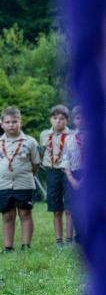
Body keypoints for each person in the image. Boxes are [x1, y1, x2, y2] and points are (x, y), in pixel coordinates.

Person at [0, 107, 40, 251]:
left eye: (14, 121)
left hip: (24, 184)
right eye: (8, 122)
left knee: (25, 213)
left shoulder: (30, 142)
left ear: (20, 122)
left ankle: (26, 245)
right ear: (1, 124)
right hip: (3, 185)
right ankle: (8, 247)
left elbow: (36, 164)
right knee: (7, 215)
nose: (11, 125)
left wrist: (27, 176)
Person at [39, 104, 73, 246]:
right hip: (52, 171)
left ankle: (70, 239)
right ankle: (59, 240)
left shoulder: (72, 135)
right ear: (50, 119)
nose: (58, 121)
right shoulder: (44, 135)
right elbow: (42, 152)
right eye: (55, 118)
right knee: (56, 208)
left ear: (67, 120)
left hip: (68, 172)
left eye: (62, 119)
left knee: (70, 208)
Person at [64, 105, 85, 236]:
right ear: (73, 120)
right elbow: (65, 159)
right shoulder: (69, 138)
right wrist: (71, 178)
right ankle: (80, 236)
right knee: (76, 208)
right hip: (74, 175)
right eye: (78, 118)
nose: (81, 120)